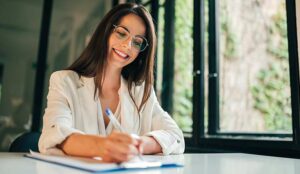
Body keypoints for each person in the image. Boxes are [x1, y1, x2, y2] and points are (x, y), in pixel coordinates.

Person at [38, 3, 185, 163]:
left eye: (137, 42)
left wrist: (138, 144)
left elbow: (176, 136)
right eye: (122, 33)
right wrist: (104, 146)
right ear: (105, 33)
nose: (128, 46)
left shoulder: (141, 91)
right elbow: (52, 136)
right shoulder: (64, 81)